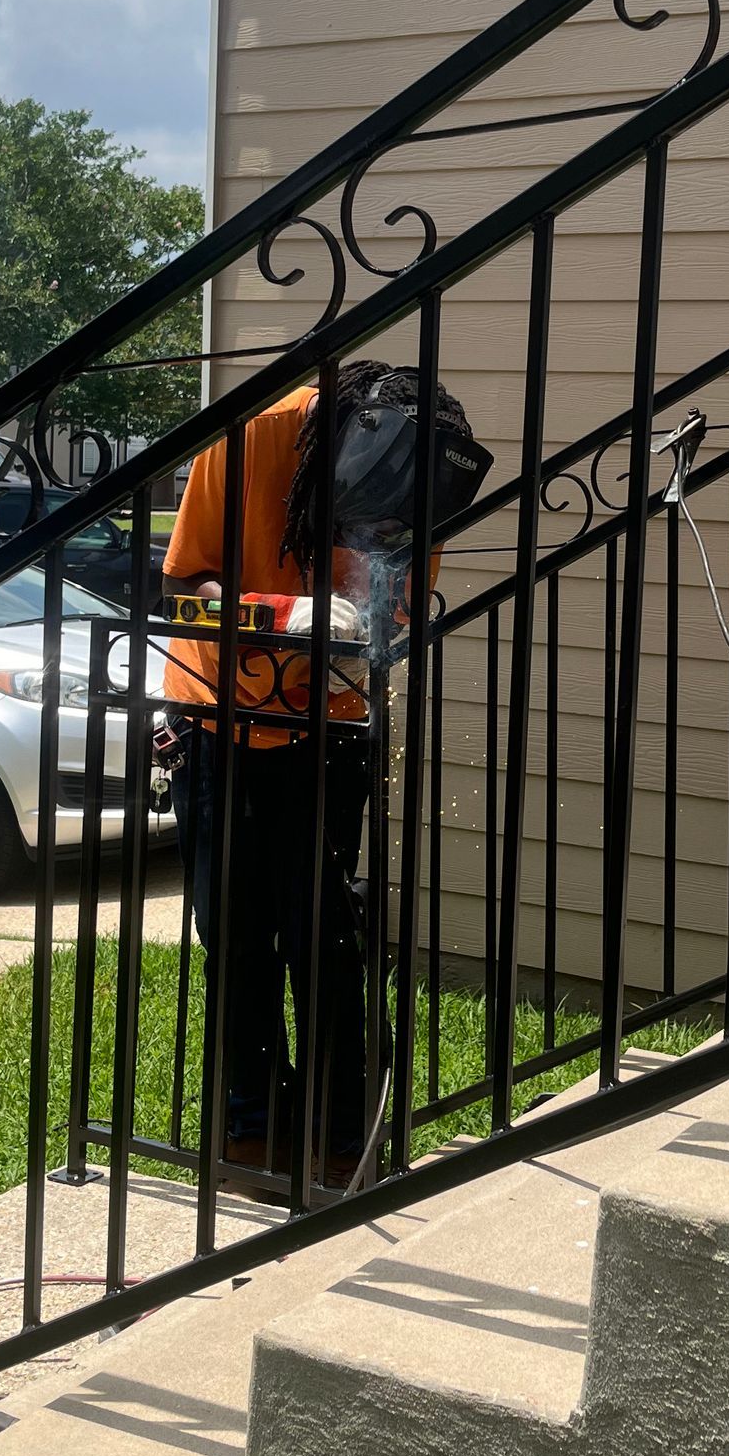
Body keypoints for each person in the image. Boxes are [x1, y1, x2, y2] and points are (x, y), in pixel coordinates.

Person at [162, 362, 488, 1195]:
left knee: (327, 939)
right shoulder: (253, 436)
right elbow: (181, 589)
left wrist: (370, 636)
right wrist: (283, 617)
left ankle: (346, 1129)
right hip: (218, 718)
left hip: (329, 726)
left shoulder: (423, 469)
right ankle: (252, 1125)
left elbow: (403, 601)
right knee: (235, 932)